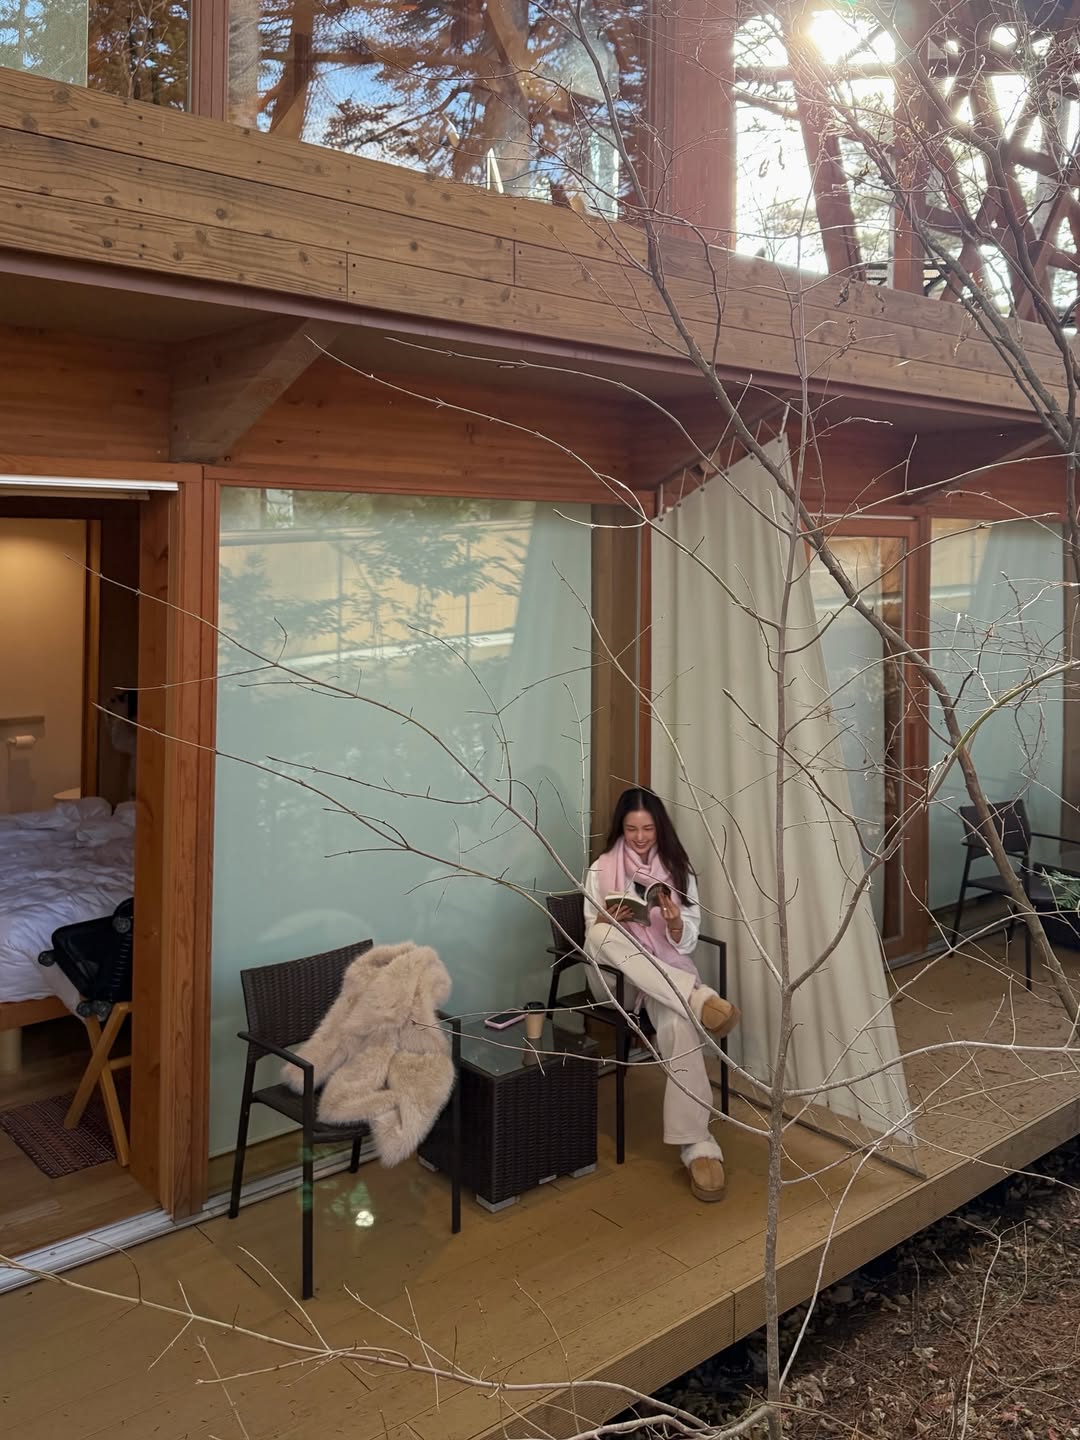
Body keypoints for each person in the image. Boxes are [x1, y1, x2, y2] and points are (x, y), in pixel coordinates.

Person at [584, 787, 739, 1202]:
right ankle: (696, 997)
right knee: (598, 935)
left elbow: (686, 942)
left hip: (660, 979)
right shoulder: (600, 869)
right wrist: (606, 919)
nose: (639, 837)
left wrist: (673, 924)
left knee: (678, 1024)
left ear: (660, 828)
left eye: (647, 829)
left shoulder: (678, 870)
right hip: (614, 980)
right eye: (631, 829)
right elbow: (589, 936)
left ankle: (697, 1145)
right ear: (621, 828)